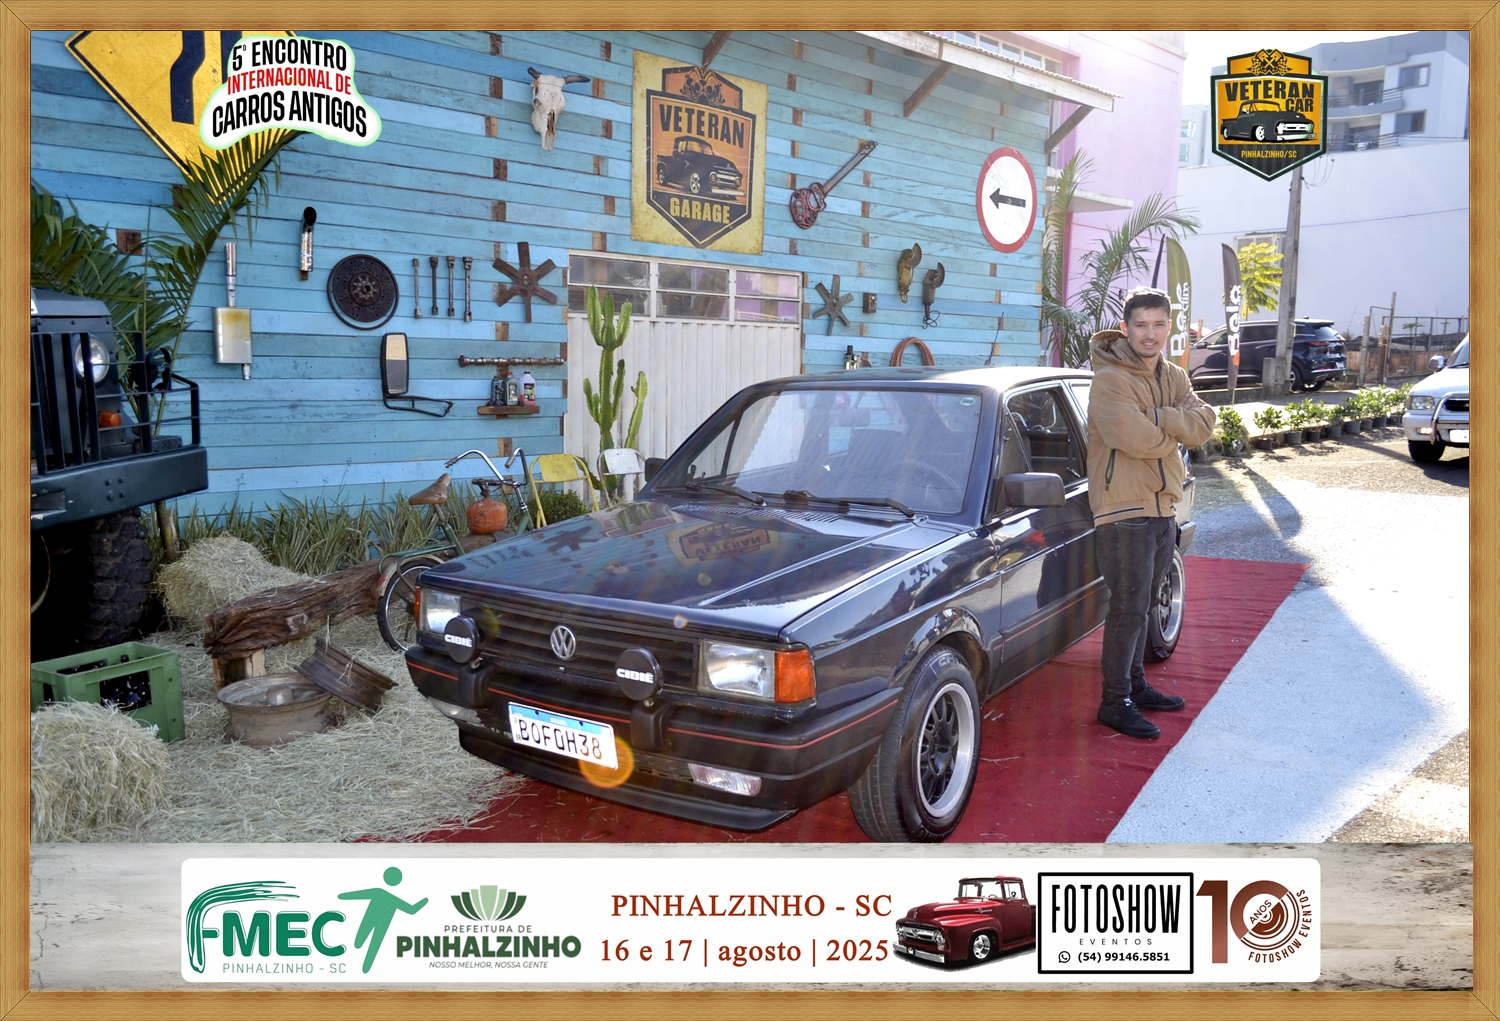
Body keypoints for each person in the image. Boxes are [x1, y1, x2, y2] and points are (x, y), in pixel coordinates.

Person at [1086, 287, 1216, 739]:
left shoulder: (1174, 375)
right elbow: (1133, 438)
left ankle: (1136, 685)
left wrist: (1158, 417)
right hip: (1123, 508)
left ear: (1169, 327)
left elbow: (1203, 425)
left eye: (1158, 324)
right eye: (1141, 324)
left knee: (1144, 603)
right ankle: (1114, 700)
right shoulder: (1109, 379)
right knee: (1128, 607)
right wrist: (1172, 427)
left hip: (1163, 504)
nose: (1150, 333)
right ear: (1125, 328)